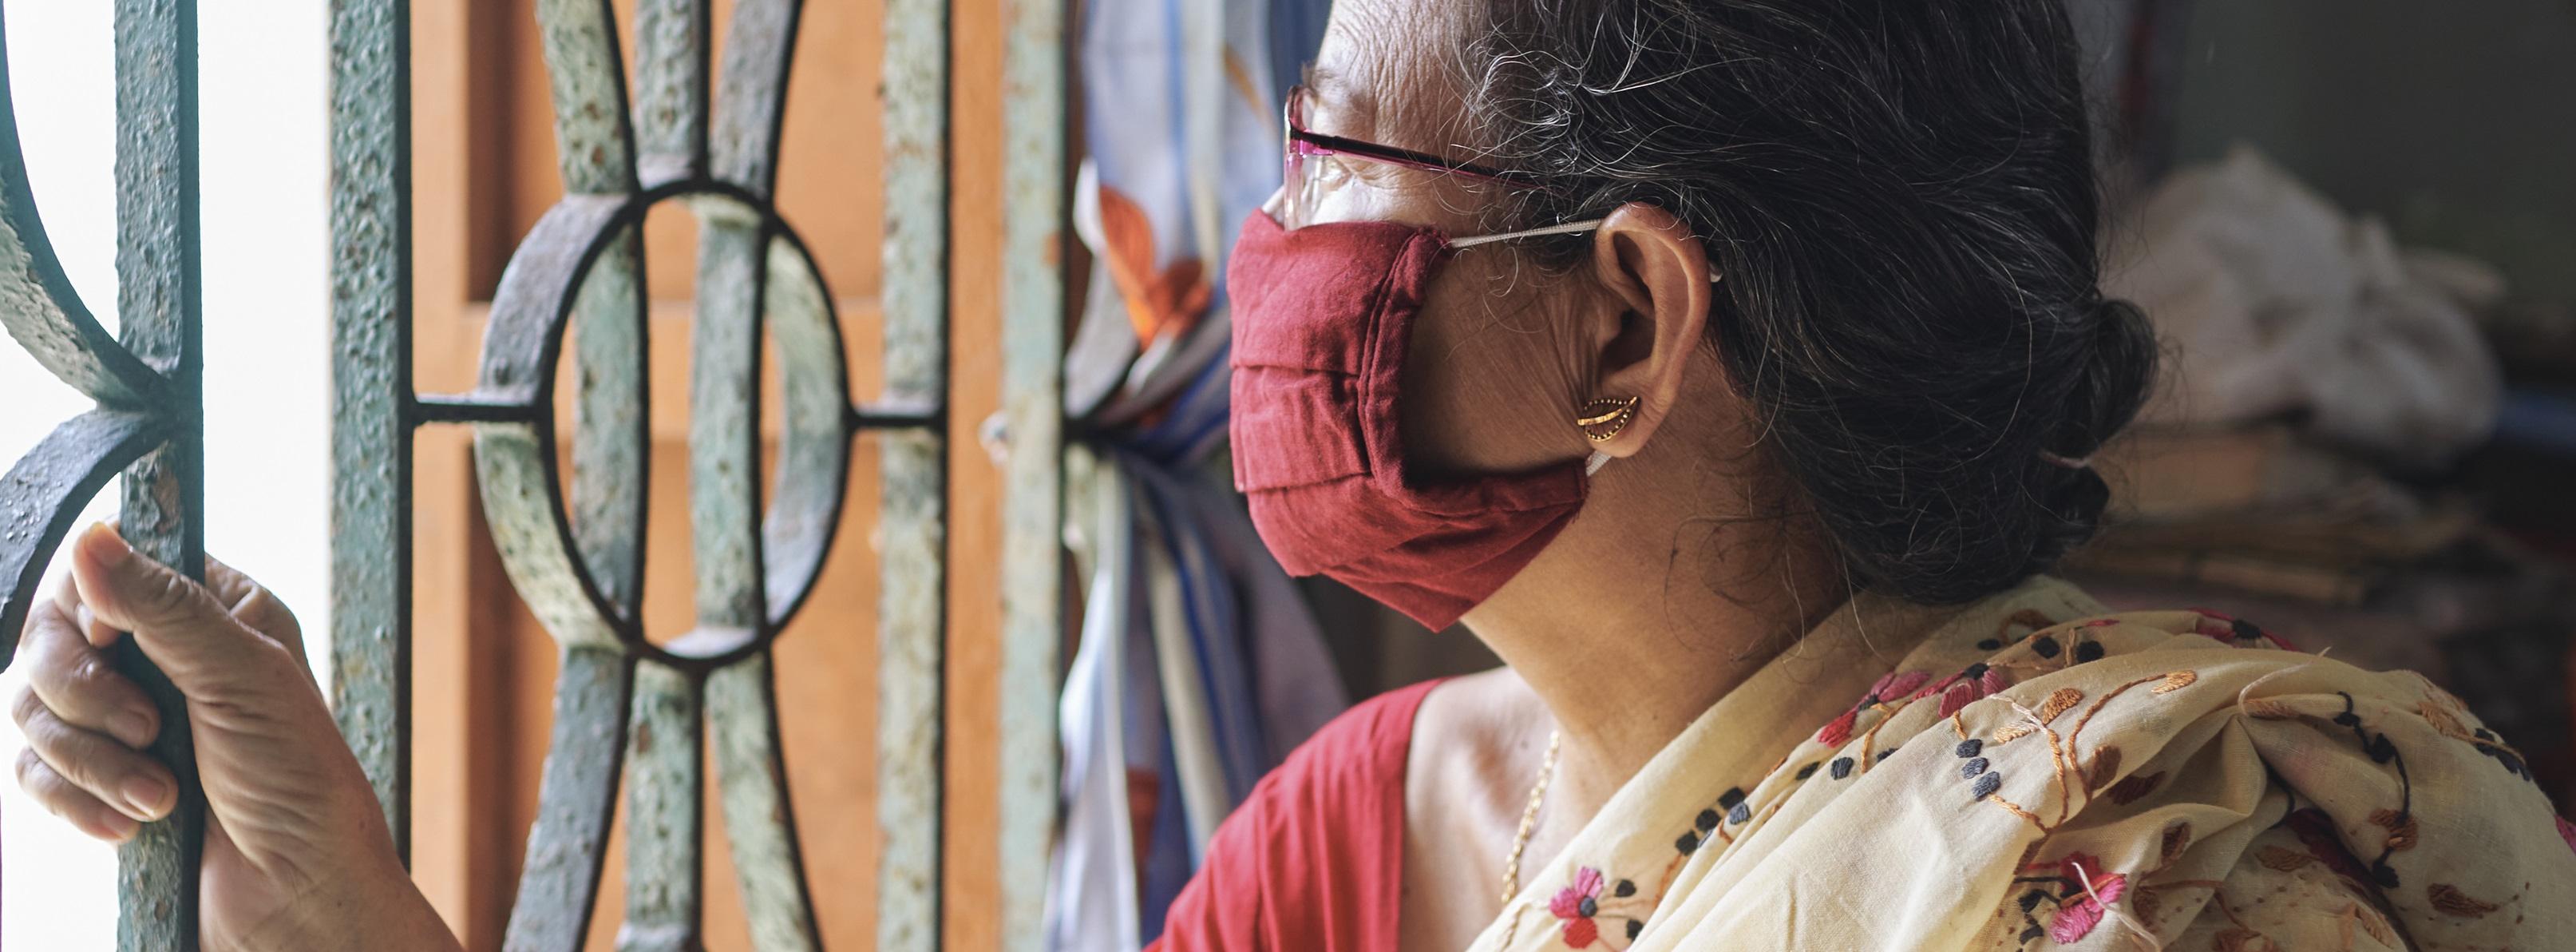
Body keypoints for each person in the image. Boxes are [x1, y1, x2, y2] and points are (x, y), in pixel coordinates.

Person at [14, 2, 2574, 950]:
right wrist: (314, 879)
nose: (1255, 249)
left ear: (1620, 324)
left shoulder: (2176, 874)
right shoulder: (1368, 829)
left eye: (1336, 159)